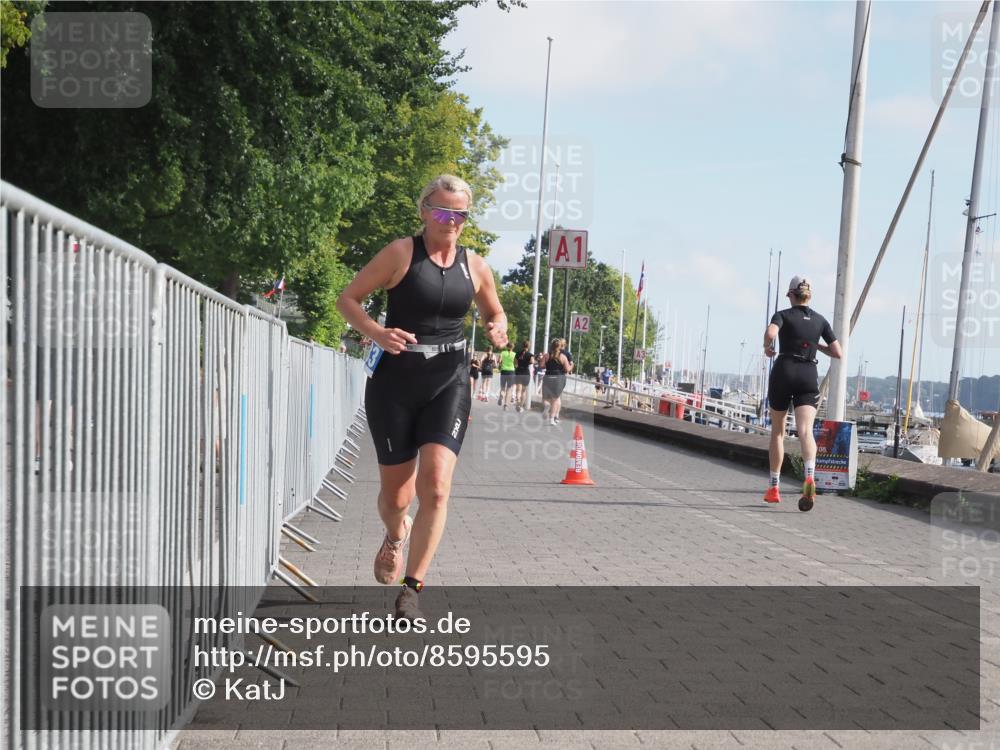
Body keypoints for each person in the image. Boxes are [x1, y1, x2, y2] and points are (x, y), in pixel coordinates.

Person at [336, 174, 508, 619]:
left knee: (436, 487)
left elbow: (494, 311)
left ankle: (411, 588)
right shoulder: (400, 254)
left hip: (449, 381)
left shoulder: (477, 267)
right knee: (397, 498)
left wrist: (498, 326)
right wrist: (376, 331)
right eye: (443, 211)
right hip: (395, 383)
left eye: (460, 214)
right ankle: (396, 535)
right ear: (425, 210)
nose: (451, 221)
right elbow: (348, 299)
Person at [762, 276, 842, 511]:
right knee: (806, 431)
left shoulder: (783, 315)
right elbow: (837, 352)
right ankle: (809, 476)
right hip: (808, 373)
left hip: (784, 370)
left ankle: (774, 488)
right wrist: (815, 345)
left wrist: (767, 347)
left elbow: (771, 333)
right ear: (809, 296)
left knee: (778, 432)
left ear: (791, 295)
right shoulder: (820, 320)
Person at [542, 338, 573, 426]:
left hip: (548, 377)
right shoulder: (563, 357)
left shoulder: (547, 355)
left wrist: (547, 364)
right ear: (560, 347)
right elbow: (567, 369)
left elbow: (541, 366)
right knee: (555, 399)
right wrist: (572, 365)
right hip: (558, 379)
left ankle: (546, 406)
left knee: (545, 398)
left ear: (551, 346)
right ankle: (552, 419)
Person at [513, 340, 534, 412]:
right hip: (526, 373)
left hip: (519, 372)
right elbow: (532, 361)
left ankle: (517, 403)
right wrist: (527, 362)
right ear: (529, 346)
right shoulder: (530, 355)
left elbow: (515, 363)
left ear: (522, 345)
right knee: (523, 391)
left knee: (518, 390)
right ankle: (521, 406)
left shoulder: (518, 353)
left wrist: (518, 364)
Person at [497, 341, 516, 409]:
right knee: (509, 389)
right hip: (511, 372)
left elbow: (499, 361)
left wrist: (500, 364)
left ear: (507, 347)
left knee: (502, 387)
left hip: (504, 371)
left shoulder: (502, 353)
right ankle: (505, 405)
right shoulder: (514, 354)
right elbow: (516, 363)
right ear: (513, 347)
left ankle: (501, 395)